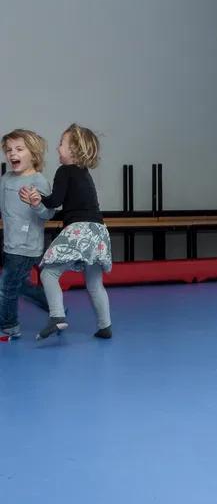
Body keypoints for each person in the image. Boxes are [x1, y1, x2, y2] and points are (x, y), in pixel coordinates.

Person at [24, 124, 112, 341]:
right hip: (98, 231)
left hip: (80, 230)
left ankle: (57, 316)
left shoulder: (65, 171)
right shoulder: (84, 173)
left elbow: (55, 201)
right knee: (94, 283)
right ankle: (105, 326)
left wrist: (38, 197)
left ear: (73, 149)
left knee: (49, 273)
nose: (57, 148)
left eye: (61, 144)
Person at [1, 129, 53, 341]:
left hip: (27, 245)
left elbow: (48, 213)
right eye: (8, 150)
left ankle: (10, 325)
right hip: (10, 242)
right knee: (19, 284)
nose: (12, 153)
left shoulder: (39, 181)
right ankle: (54, 306)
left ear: (34, 154)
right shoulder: (6, 178)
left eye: (19, 149)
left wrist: (36, 203)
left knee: (6, 287)